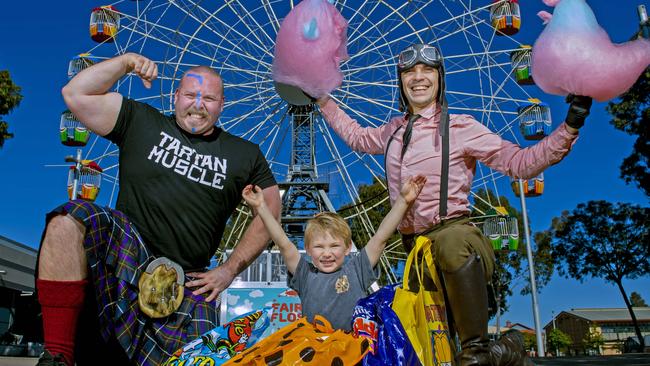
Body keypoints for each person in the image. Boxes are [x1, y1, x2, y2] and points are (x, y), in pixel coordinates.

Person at [315, 43, 593, 365]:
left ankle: (476, 351)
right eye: (409, 72)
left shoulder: (461, 127)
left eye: (427, 71)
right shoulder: (392, 131)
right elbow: (357, 137)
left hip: (457, 236)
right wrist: (322, 99)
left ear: (440, 78)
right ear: (401, 81)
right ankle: (507, 350)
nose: (418, 78)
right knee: (427, 342)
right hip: (415, 249)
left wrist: (571, 124)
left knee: (451, 245)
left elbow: (520, 163)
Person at [36, 53, 281, 366]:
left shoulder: (245, 154)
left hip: (189, 278)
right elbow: (76, 94)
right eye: (191, 95)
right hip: (126, 249)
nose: (198, 104)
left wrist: (229, 269)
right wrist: (125, 63)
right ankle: (57, 356)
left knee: (197, 359)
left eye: (209, 98)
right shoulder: (140, 120)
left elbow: (271, 209)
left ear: (222, 105)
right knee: (66, 222)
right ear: (175, 96)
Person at [241, 175, 426, 331]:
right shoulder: (305, 275)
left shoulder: (357, 270)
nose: (327, 253)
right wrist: (261, 208)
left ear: (347, 248)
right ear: (308, 250)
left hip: (353, 348)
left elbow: (380, 238)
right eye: (319, 247)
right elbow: (283, 243)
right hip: (316, 350)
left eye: (334, 246)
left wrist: (402, 201)